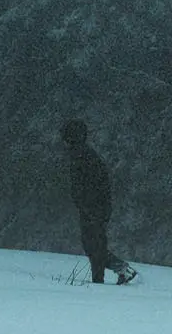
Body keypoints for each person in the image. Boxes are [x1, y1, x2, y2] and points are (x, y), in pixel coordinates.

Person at [61, 118, 138, 285]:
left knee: (93, 245)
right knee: (95, 244)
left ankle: (109, 276)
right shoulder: (86, 154)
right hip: (96, 207)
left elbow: (86, 185)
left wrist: (86, 204)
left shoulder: (80, 156)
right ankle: (109, 275)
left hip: (93, 208)